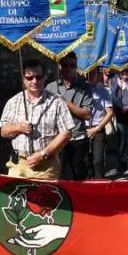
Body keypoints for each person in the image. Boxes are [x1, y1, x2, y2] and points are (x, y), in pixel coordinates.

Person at [0, 59, 74, 179]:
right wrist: (19, 127)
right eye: (29, 78)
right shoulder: (13, 102)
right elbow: (3, 131)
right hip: (18, 165)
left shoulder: (56, 101)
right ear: (23, 79)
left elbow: (66, 133)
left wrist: (43, 154)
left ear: (44, 77)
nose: (34, 81)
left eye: (38, 77)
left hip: (47, 166)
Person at [46, 52, 93, 180]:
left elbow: (87, 114)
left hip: (77, 138)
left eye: (72, 65)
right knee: (59, 177)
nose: (68, 68)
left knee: (79, 176)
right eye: (65, 65)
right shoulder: (50, 88)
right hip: (57, 140)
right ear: (60, 67)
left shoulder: (84, 88)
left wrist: (66, 103)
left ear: (76, 67)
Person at [85, 68, 114, 178]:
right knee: (86, 160)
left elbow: (110, 113)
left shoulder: (103, 90)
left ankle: (100, 183)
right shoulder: (82, 88)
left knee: (97, 160)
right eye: (88, 73)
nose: (90, 76)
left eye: (93, 73)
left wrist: (97, 128)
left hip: (98, 128)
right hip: (84, 128)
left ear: (98, 74)